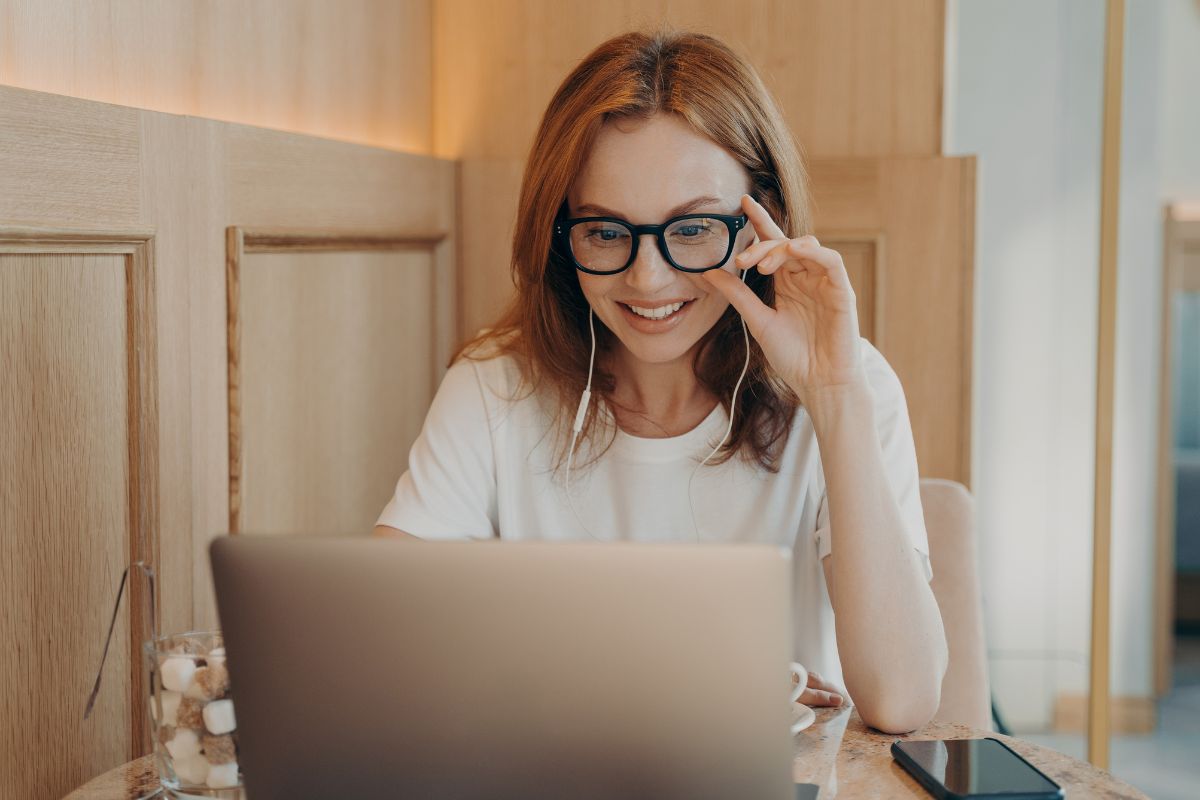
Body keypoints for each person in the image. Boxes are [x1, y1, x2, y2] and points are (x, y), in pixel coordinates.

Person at [374, 29, 947, 734]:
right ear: (561, 236)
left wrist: (834, 399)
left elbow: (902, 698)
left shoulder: (850, 386)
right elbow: (382, 648)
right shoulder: (495, 388)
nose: (649, 280)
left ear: (761, 221)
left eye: (693, 228)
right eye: (607, 233)